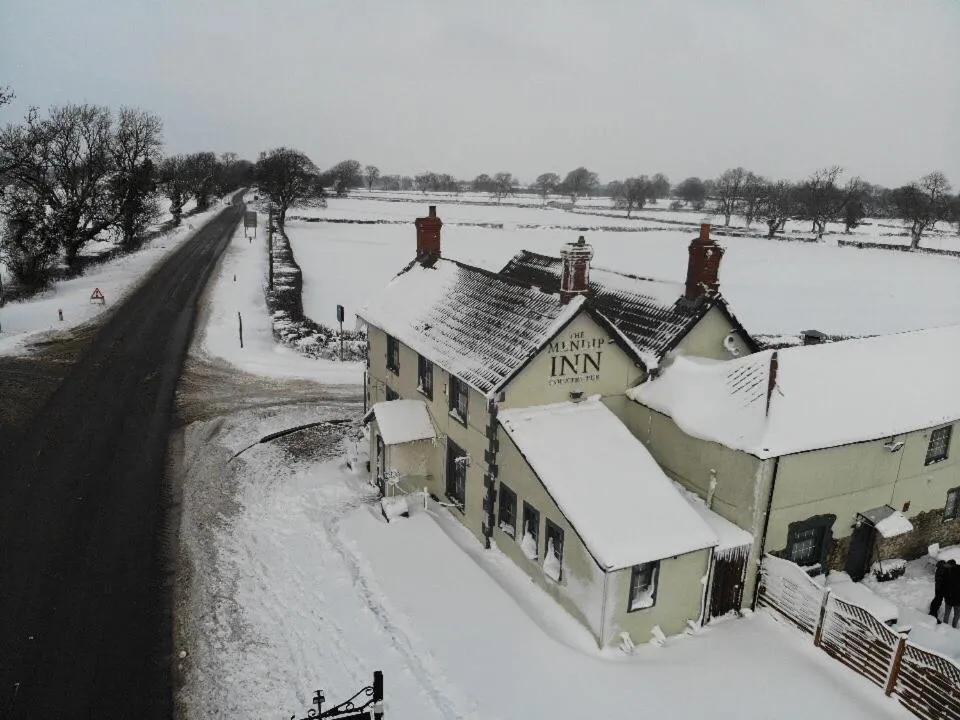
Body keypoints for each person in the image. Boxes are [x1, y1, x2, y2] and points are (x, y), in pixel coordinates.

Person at [942, 559, 960, 629]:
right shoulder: (947, 571)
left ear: (951, 565)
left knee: (957, 614)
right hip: (949, 597)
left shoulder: (958, 572)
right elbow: (945, 584)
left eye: (947, 564)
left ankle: (954, 628)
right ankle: (944, 627)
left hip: (957, 598)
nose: (946, 565)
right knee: (947, 614)